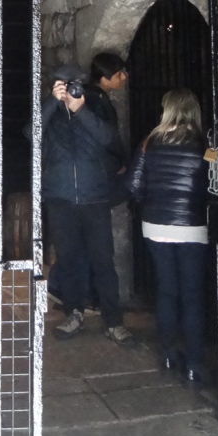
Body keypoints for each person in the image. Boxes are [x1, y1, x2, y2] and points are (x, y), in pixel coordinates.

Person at [41, 63, 134, 345]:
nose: (70, 89)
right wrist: (50, 103)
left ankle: (113, 321)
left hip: (94, 198)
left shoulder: (96, 107)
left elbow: (109, 138)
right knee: (69, 261)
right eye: (64, 85)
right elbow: (29, 134)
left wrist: (81, 109)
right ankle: (74, 313)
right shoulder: (50, 114)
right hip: (60, 199)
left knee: (103, 261)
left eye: (73, 84)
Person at [128, 88, 209, 386]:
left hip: (156, 226)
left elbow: (133, 185)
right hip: (192, 226)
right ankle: (194, 363)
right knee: (192, 295)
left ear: (167, 109)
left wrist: (151, 204)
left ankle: (166, 353)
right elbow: (212, 185)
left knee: (166, 290)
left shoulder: (150, 142)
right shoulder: (204, 144)